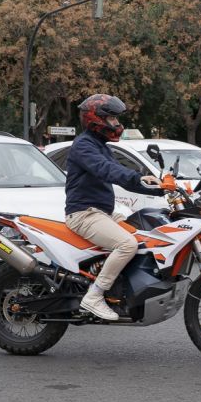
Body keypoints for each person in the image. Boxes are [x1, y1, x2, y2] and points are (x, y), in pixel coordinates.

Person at [65, 94, 164, 321]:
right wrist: (139, 178)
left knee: (144, 230)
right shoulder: (84, 146)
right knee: (127, 244)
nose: (116, 124)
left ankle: (122, 290)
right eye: (111, 118)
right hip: (84, 213)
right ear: (95, 119)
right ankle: (94, 295)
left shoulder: (101, 146)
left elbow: (121, 175)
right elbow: (109, 171)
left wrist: (160, 188)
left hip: (103, 213)